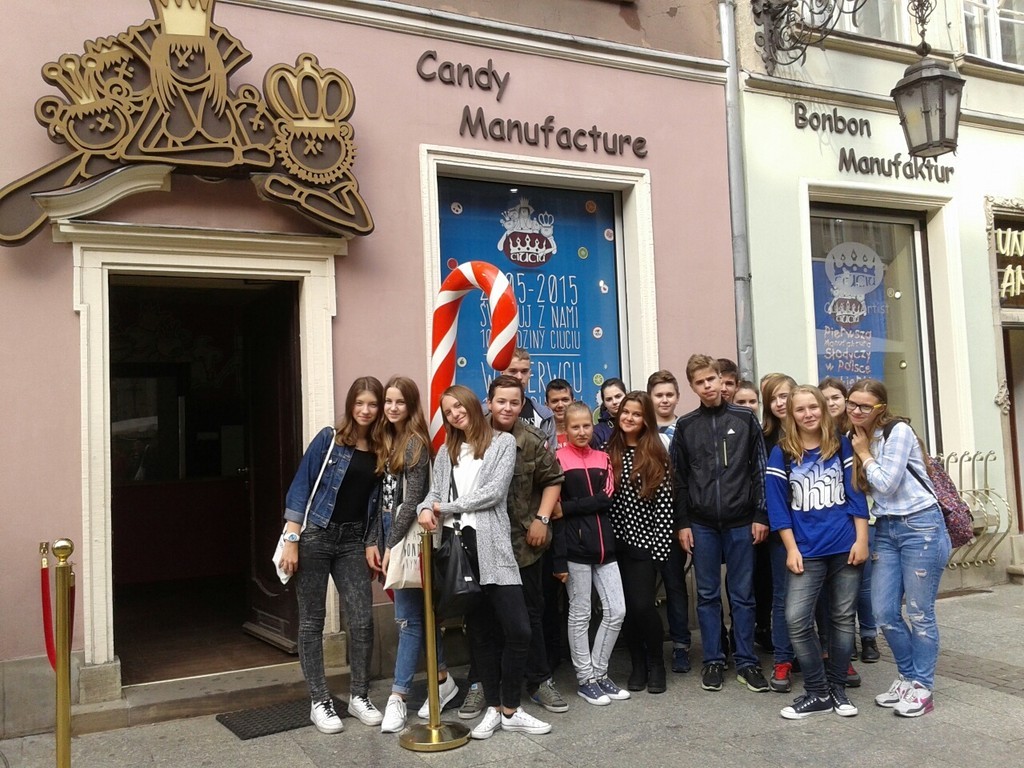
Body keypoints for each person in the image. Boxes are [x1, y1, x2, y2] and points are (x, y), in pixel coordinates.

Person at [417, 385, 551, 739]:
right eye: (448, 411)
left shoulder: (501, 443)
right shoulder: (446, 451)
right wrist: (423, 508)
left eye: (459, 406)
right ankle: (494, 708)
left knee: (519, 629)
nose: (455, 414)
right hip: (459, 550)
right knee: (481, 632)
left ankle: (511, 707)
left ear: (474, 405)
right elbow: (434, 493)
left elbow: (493, 493)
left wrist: (443, 508)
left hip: (493, 546)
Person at [280, 377, 385, 734]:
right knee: (313, 621)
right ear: (350, 404)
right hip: (315, 535)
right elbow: (301, 486)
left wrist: (372, 541)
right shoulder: (329, 439)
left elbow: (377, 505)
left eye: (372, 404)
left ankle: (359, 695)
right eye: (360, 403)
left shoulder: (381, 448)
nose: (366, 410)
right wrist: (292, 538)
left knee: (362, 619)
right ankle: (320, 701)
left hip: (353, 540)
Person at [848, 378, 951, 717]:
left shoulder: (897, 432)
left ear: (881, 407)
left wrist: (864, 453)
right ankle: (907, 678)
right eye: (852, 404)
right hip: (886, 528)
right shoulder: (856, 435)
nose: (856, 411)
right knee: (884, 612)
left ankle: (922, 686)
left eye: (865, 406)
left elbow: (887, 484)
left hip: (920, 526)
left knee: (920, 613)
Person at [767, 386, 869, 720]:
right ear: (791, 415)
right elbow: (778, 507)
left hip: (845, 546)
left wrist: (862, 539)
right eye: (800, 409)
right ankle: (817, 691)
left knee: (842, 619)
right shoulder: (782, 453)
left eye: (813, 407)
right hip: (806, 550)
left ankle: (837, 688)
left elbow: (856, 494)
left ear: (823, 409)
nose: (808, 414)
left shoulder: (840, 445)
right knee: (796, 619)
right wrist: (791, 548)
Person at [671, 355, 769, 694]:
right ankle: (713, 659)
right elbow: (679, 479)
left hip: (742, 521)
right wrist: (683, 523)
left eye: (711, 379)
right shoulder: (686, 426)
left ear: (720, 379)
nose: (707, 386)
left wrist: (761, 514)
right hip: (701, 524)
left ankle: (746, 661)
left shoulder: (745, 418)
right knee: (707, 595)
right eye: (699, 382)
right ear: (692, 387)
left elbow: (759, 470)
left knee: (742, 595)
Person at [364, 376, 456, 733]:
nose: (392, 407)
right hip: (388, 532)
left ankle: (397, 696)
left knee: (407, 620)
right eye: (388, 401)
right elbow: (379, 502)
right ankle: (443, 679)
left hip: (408, 537)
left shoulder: (415, 443)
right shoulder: (383, 440)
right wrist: (374, 540)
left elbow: (412, 501)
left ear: (411, 405)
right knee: (419, 616)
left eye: (399, 402)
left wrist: (391, 545)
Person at [486, 375, 567, 715]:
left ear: (522, 405)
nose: (507, 408)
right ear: (489, 402)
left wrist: (542, 519)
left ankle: (539, 680)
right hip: (485, 545)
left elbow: (553, 479)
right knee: (487, 619)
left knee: (531, 614)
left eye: (514, 402)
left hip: (524, 546)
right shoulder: (475, 436)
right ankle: (485, 686)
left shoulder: (532, 439)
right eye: (501, 401)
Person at [552, 402, 629, 705]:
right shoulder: (557, 459)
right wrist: (559, 558)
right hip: (574, 548)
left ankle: (600, 672)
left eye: (586, 425)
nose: (582, 431)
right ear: (566, 428)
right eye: (575, 427)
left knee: (616, 610)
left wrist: (570, 507)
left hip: (605, 547)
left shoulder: (603, 457)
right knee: (580, 613)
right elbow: (554, 509)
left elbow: (607, 497)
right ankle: (585, 679)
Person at [607, 391, 674, 694]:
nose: (629, 418)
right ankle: (637, 663)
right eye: (625, 412)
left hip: (644, 545)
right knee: (625, 610)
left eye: (636, 414)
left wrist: (659, 551)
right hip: (613, 544)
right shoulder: (608, 452)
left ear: (646, 419)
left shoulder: (656, 454)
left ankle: (656, 663)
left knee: (643, 606)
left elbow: (664, 507)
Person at [819, 377, 879, 665]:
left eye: (835, 397)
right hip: (837, 519)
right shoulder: (819, 434)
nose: (831, 403)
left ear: (845, 401)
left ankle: (868, 636)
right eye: (825, 398)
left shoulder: (857, 432)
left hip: (867, 515)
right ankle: (846, 641)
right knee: (838, 588)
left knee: (863, 583)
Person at [646, 369, 692, 673]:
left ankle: (680, 646)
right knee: (643, 588)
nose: (664, 400)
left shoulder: (685, 428)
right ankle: (647, 646)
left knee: (675, 585)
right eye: (658, 395)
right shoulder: (642, 429)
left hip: (675, 520)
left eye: (669, 394)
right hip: (644, 522)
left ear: (677, 397)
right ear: (650, 398)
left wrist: (684, 522)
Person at [760, 373, 799, 694]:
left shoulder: (816, 432)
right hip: (779, 529)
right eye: (773, 398)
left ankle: (822, 652)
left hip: (816, 527)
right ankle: (783, 657)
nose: (780, 403)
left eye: (785, 395)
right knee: (783, 595)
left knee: (819, 595)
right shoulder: (764, 439)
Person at [503, 348, 556, 446]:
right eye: (513, 371)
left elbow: (551, 453)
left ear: (529, 374)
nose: (519, 377)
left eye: (524, 371)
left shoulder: (545, 416)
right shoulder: (484, 414)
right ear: (502, 373)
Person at [592, 377, 627, 448]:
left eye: (618, 396)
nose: (614, 402)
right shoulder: (598, 431)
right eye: (609, 399)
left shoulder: (637, 423)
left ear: (626, 396)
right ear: (604, 403)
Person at [545, 378, 575, 450]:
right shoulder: (541, 436)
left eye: (565, 400)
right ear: (546, 405)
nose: (560, 405)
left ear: (573, 402)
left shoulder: (583, 433)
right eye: (555, 401)